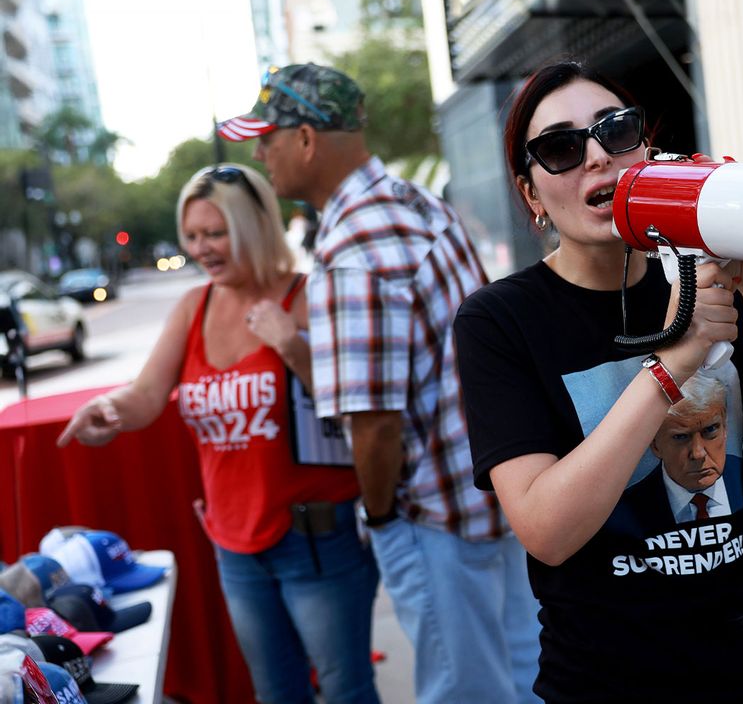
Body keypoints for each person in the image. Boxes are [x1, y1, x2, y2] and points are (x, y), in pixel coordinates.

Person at [453, 59, 743, 702]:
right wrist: (672, 368)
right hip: (609, 679)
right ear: (531, 195)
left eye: (616, 130)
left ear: (647, 151)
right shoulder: (499, 321)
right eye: (561, 148)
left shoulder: (708, 274)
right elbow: (546, 530)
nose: (596, 155)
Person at [217, 63, 540, 704]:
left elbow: (375, 424)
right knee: (528, 677)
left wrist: (383, 518)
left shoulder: (351, 247)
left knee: (464, 691)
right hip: (494, 494)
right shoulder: (413, 203)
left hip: (435, 516)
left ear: (306, 139)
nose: (261, 155)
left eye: (268, 139)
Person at [57, 164, 380, 703]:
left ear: (254, 226)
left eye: (216, 232)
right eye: (193, 235)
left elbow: (359, 406)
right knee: (276, 693)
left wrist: (291, 346)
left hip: (317, 540)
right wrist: (108, 409)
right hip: (234, 543)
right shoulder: (194, 305)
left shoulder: (305, 295)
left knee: (346, 689)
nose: (201, 248)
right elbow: (145, 395)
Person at [614, 372, 743, 533]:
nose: (698, 454)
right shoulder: (627, 508)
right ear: (655, 445)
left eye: (710, 430)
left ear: (725, 428)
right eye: (681, 437)